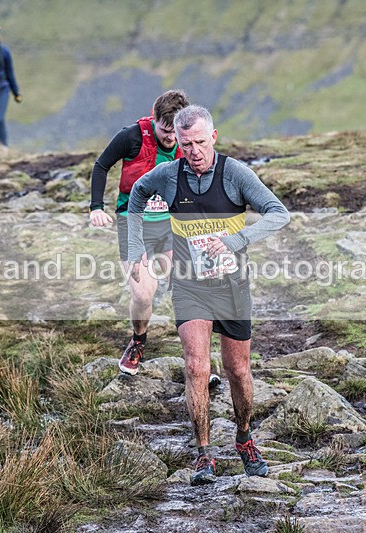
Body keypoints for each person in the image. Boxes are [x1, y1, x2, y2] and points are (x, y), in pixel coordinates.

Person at [127, 105, 290, 485]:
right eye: (185, 145)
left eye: (200, 142)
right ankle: (203, 453)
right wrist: (136, 248)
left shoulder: (235, 174)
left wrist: (235, 240)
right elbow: (136, 194)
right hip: (189, 284)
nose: (194, 151)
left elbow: (278, 213)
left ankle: (244, 437)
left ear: (213, 137)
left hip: (232, 286)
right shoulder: (168, 176)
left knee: (237, 370)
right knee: (196, 367)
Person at [89, 89, 190, 376]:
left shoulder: (190, 138)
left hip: (171, 226)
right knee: (145, 295)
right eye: (165, 131)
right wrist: (96, 207)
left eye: (176, 133)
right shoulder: (132, 136)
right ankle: (138, 341)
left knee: (187, 287)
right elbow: (101, 166)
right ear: (154, 119)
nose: (171, 138)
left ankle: (197, 358)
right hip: (133, 225)